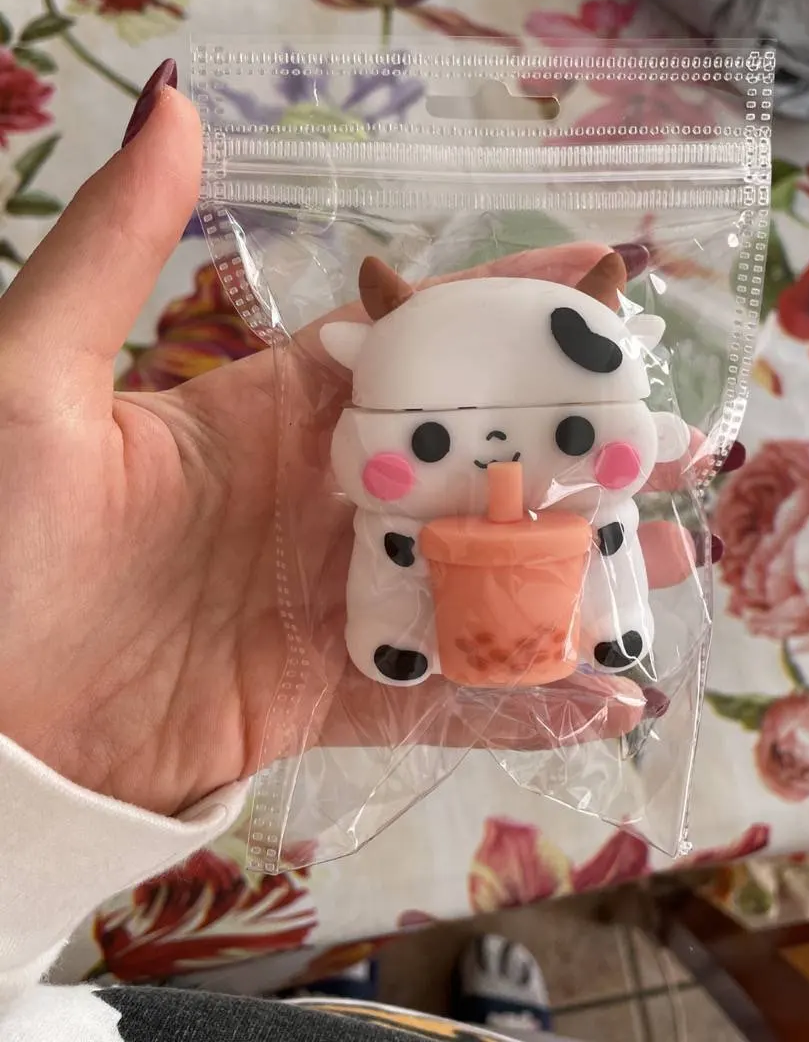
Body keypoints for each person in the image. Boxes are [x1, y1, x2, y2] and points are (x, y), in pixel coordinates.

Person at [0, 62, 717, 1042]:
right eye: (429, 440)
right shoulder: (392, 493)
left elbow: (611, 516)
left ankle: (334, 986)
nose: (494, 456)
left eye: (572, 430)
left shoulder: (590, 488)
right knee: (398, 565)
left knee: (609, 545)